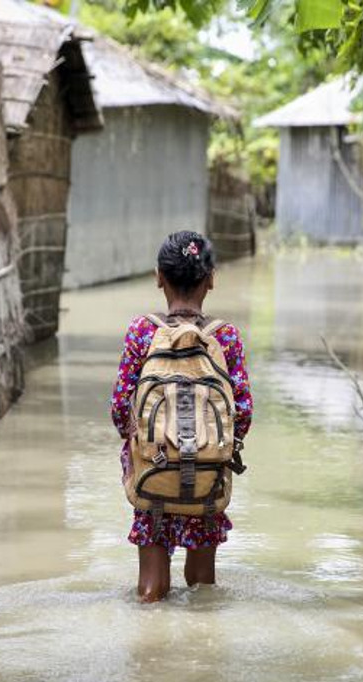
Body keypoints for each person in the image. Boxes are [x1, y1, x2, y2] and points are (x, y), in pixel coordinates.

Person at [110, 231, 253, 603]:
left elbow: (120, 408)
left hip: (153, 470)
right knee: (203, 587)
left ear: (159, 277)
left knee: (151, 589)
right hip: (207, 474)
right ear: (211, 279)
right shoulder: (225, 337)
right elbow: (244, 413)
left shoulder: (143, 332)